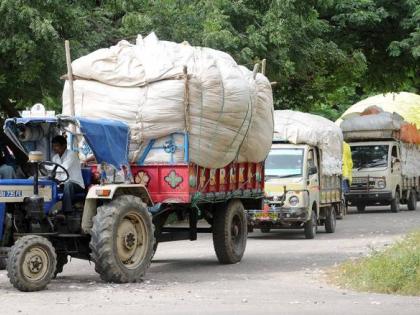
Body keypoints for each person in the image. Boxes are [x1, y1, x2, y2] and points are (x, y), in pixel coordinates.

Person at [51, 135, 85, 214]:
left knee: (68, 185)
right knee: (48, 184)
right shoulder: (55, 158)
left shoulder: (71, 155)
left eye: (57, 146)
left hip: (76, 184)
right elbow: (56, 174)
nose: (54, 148)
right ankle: (49, 212)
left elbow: (63, 168)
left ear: (64, 146)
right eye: (53, 146)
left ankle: (67, 212)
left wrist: (48, 167)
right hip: (63, 184)